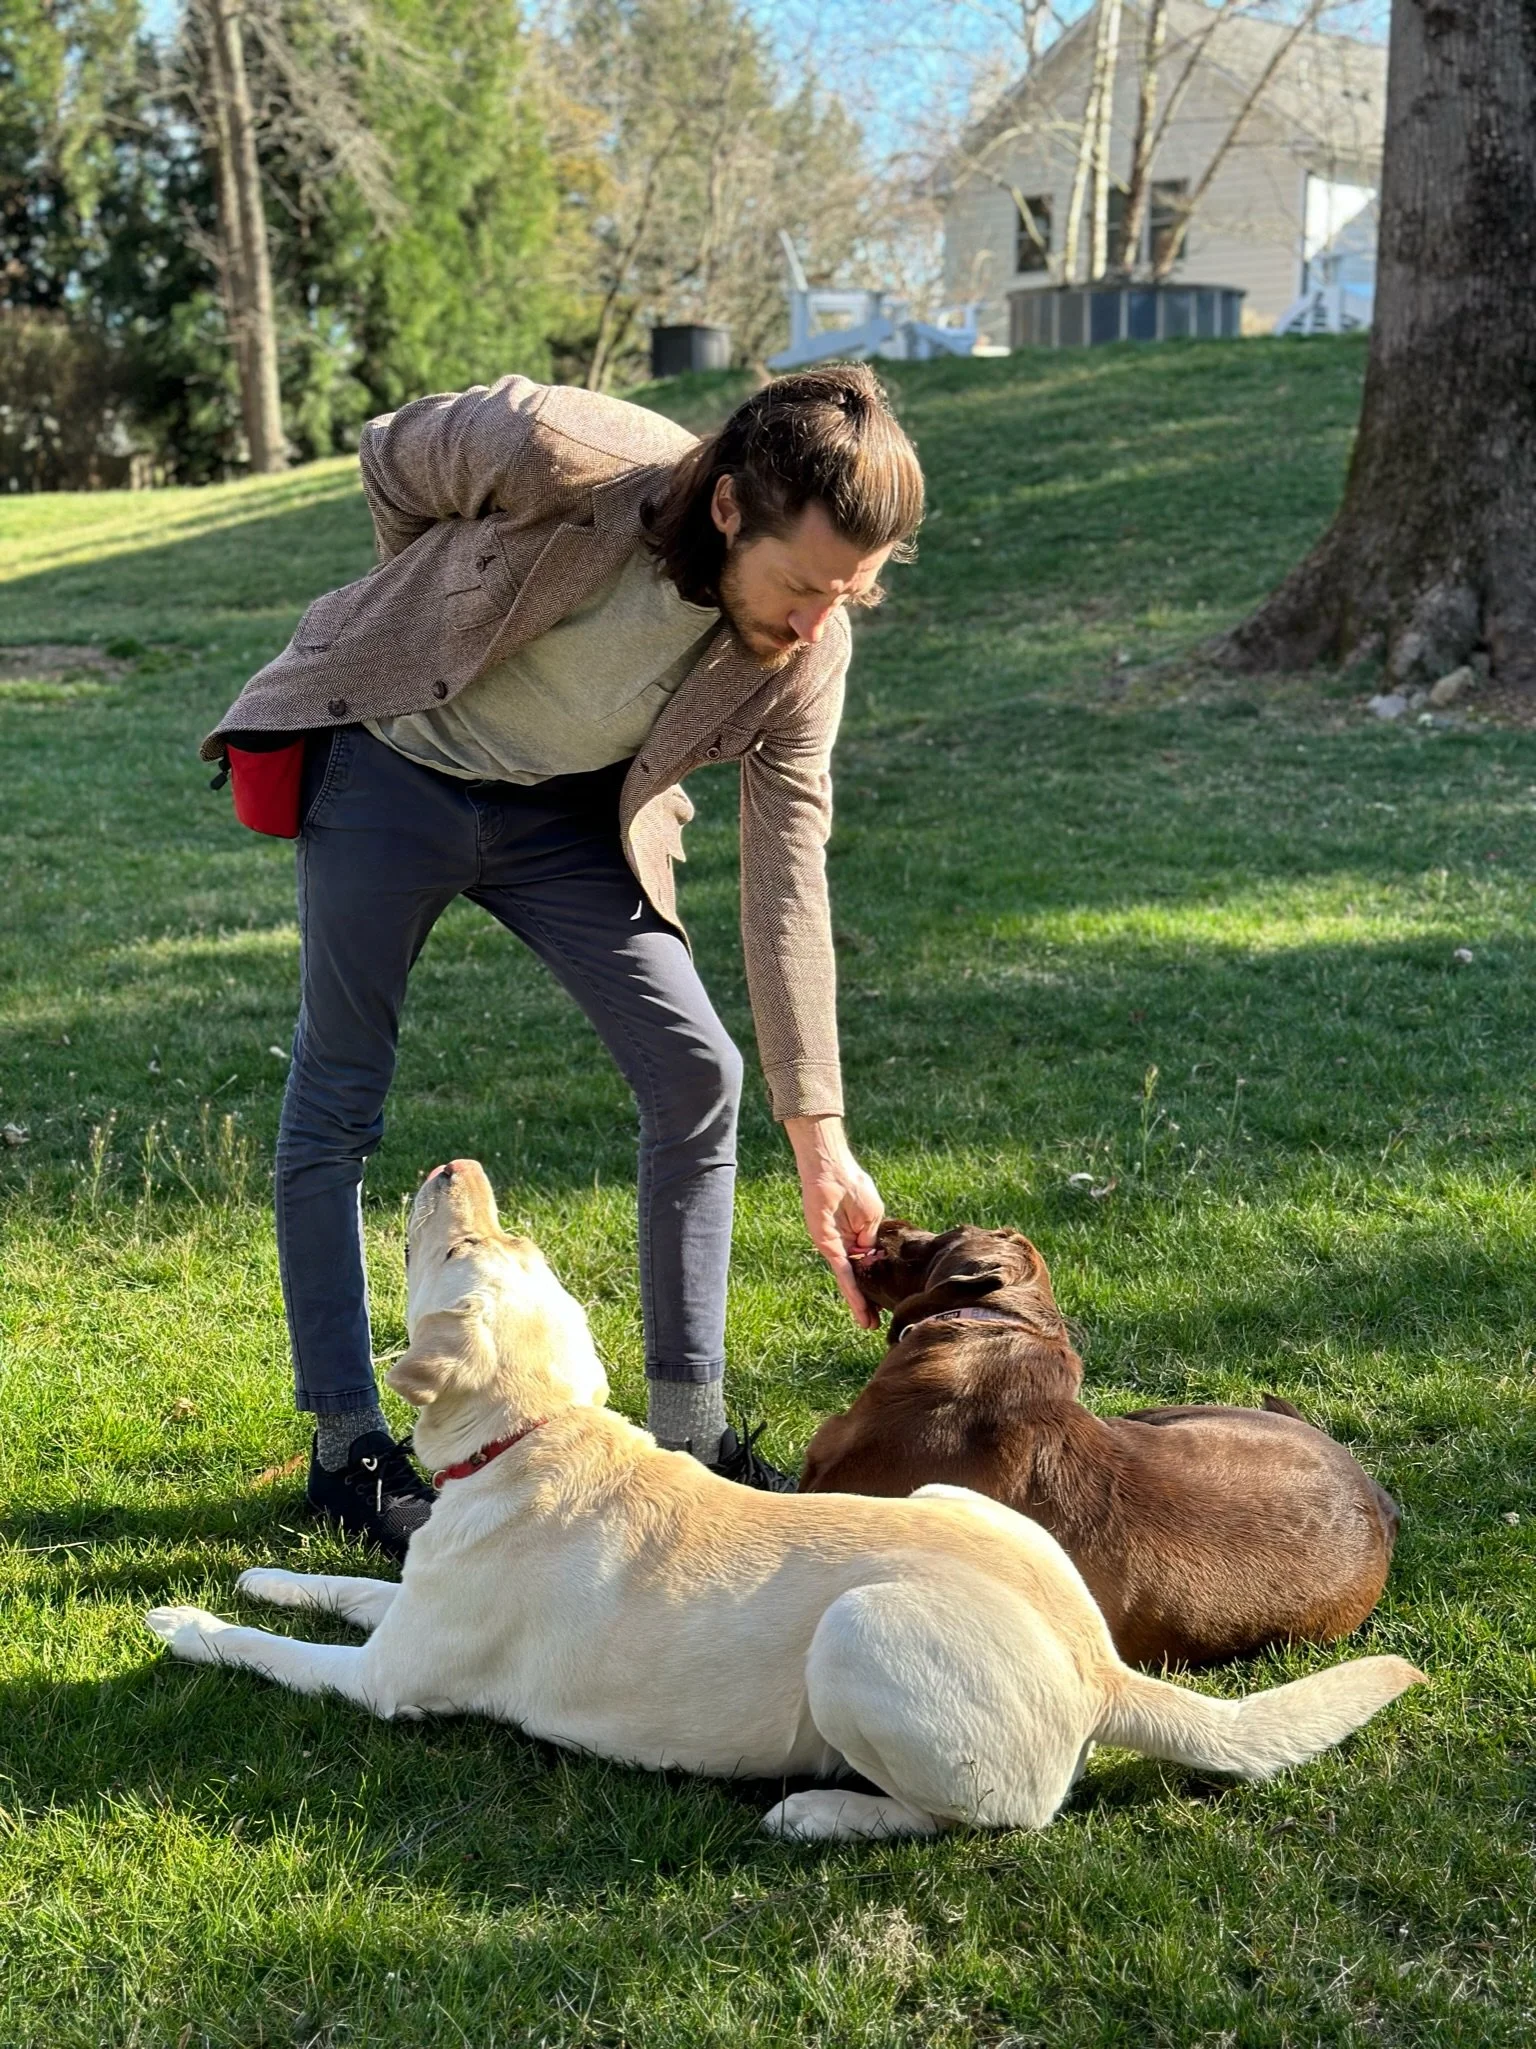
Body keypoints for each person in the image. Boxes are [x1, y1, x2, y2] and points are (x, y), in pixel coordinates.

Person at [201, 362, 925, 1555]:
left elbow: (789, 869)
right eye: (802, 584)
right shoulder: (558, 452)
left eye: (848, 595)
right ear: (732, 507)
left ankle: (687, 1435)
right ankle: (345, 1444)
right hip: (390, 776)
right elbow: (391, 456)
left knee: (701, 1075)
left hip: (565, 823)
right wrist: (437, 607)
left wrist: (822, 1135)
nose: (813, 623)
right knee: (338, 1096)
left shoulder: (810, 650)